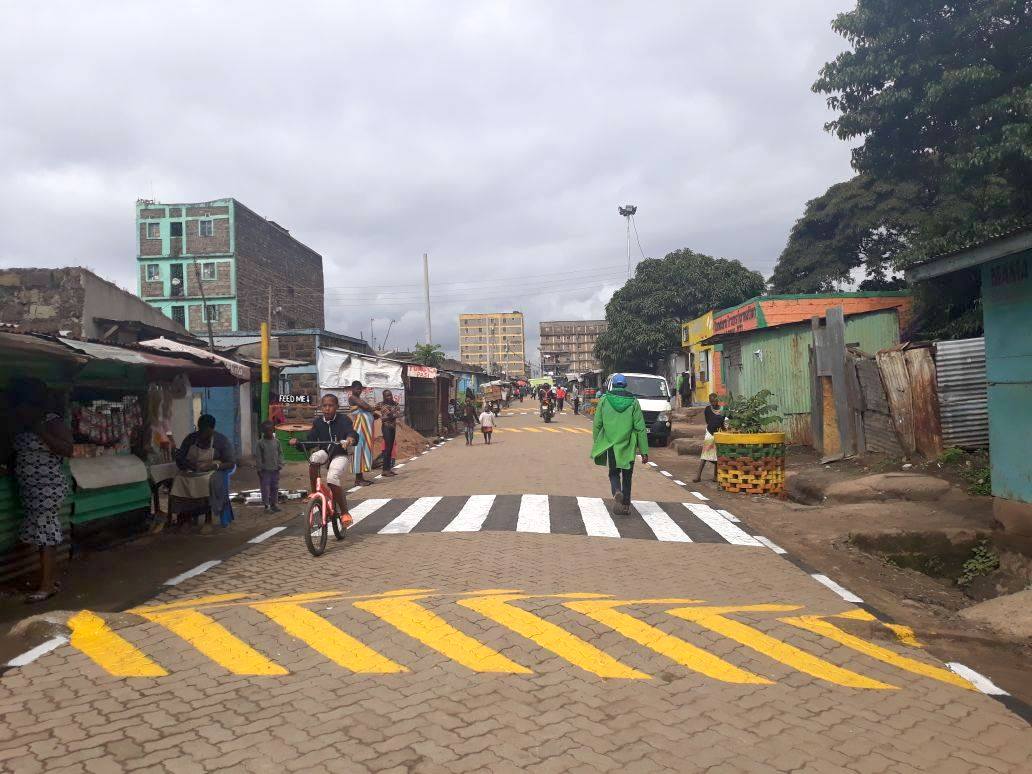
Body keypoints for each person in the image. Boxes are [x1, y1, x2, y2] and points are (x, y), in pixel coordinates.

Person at [9, 378, 73, 603]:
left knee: (46, 533)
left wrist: (41, 432)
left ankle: (47, 586)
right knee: (40, 533)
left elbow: (68, 449)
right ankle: (47, 579)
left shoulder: (51, 423)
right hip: (31, 489)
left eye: (23, 406)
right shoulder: (20, 425)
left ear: (34, 405)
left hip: (48, 488)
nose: (20, 411)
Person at [291, 394, 359, 526]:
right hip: (326, 452)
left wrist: (350, 439)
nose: (327, 409)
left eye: (331, 405)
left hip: (340, 454)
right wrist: (298, 443)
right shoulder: (318, 422)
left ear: (337, 407)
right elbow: (310, 440)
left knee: (332, 478)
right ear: (321, 407)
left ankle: (345, 513)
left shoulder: (343, 420)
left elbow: (352, 433)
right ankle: (314, 492)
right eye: (325, 406)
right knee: (314, 458)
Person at [590, 373, 649, 515]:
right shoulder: (634, 402)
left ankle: (616, 491)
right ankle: (626, 505)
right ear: (625, 385)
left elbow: (597, 424)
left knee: (614, 473)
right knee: (627, 476)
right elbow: (640, 428)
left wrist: (598, 442)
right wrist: (644, 451)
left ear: (613, 385)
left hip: (611, 445)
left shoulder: (604, 400)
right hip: (628, 444)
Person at [171, 414, 236, 531]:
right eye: (201, 431)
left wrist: (214, 466)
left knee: (208, 482)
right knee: (179, 480)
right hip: (193, 470)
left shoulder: (221, 441)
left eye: (207, 432)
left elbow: (231, 463)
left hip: (214, 470)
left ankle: (208, 519)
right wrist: (190, 465)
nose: (203, 435)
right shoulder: (190, 439)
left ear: (212, 429)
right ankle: (185, 517)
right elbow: (180, 458)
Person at [347, 380, 378, 486]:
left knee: (364, 451)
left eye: (360, 389)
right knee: (358, 451)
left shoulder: (359, 398)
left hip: (365, 429)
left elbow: (366, 409)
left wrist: (373, 415)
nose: (359, 390)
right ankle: (358, 479)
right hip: (359, 428)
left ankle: (361, 478)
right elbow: (365, 406)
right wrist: (373, 409)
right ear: (352, 389)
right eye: (357, 388)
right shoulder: (352, 398)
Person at [694, 392, 725, 483]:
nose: (713, 403)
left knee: (717, 455)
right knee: (705, 454)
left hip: (719, 433)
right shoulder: (707, 409)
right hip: (709, 433)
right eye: (711, 401)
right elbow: (708, 421)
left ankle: (715, 476)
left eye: (714, 401)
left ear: (717, 400)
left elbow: (725, 422)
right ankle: (698, 476)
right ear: (709, 401)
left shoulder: (723, 410)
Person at [256, 420, 283, 512]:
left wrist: (280, 464)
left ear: (273, 430)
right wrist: (259, 469)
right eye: (266, 431)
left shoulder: (277, 442)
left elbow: (280, 453)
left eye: (270, 430)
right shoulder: (260, 443)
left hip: (275, 469)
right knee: (265, 489)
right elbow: (258, 457)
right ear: (263, 431)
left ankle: (274, 504)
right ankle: (266, 505)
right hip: (265, 471)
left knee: (275, 487)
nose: (269, 433)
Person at [374, 389, 401, 477]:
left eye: (390, 395)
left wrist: (386, 417)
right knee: (388, 448)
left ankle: (388, 469)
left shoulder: (395, 404)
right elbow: (372, 409)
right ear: (384, 397)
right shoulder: (381, 404)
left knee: (390, 448)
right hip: (386, 428)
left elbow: (397, 415)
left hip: (393, 428)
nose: (389, 397)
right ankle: (385, 470)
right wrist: (377, 416)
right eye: (387, 396)